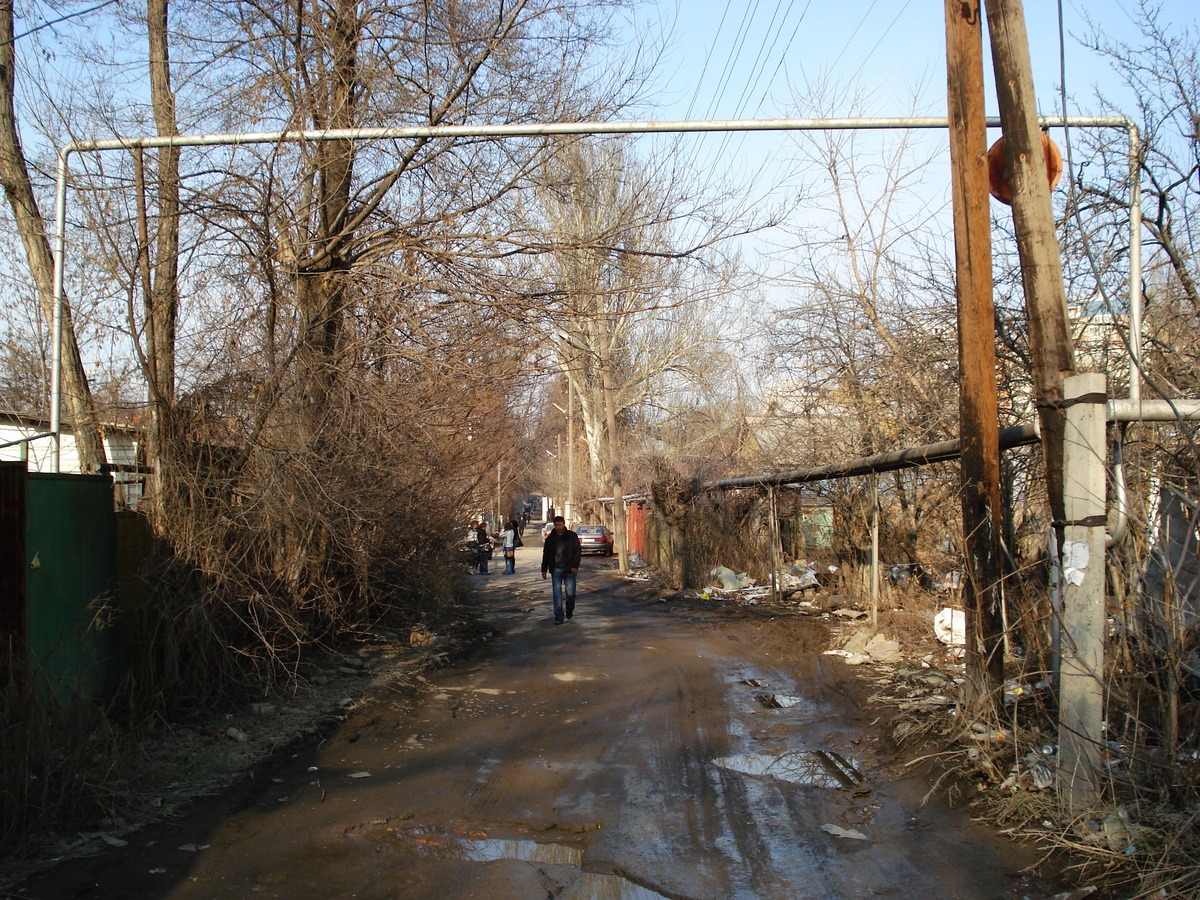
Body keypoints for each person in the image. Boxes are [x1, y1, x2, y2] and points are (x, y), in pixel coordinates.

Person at [541, 515, 581, 624]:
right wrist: (544, 569)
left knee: (571, 593)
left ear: (564, 524)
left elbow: (577, 551)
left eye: (560, 524)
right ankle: (559, 616)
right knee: (557, 593)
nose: (558, 527)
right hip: (556, 569)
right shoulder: (550, 539)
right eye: (556, 525)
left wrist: (575, 565)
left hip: (569, 569)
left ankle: (569, 608)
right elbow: (546, 554)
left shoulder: (572, 536)